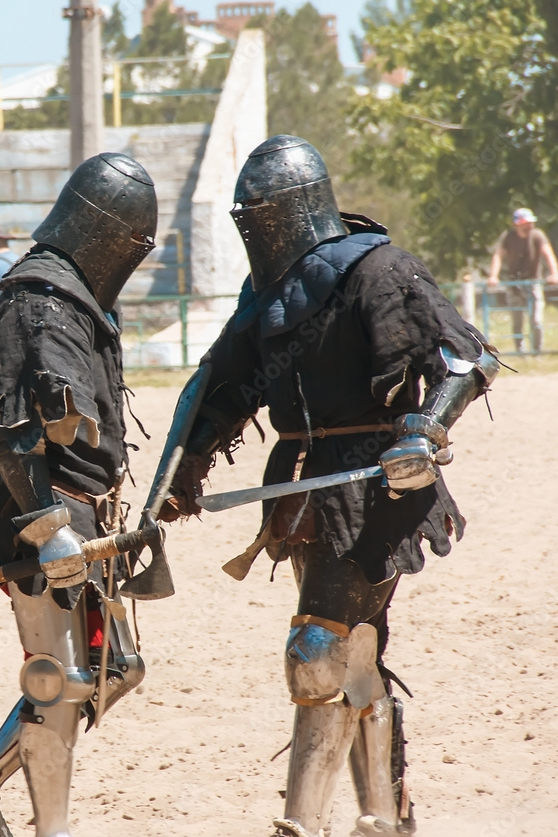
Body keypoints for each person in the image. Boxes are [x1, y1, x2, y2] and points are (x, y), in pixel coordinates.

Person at [160, 136, 499, 837]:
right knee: (354, 650)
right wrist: (188, 460)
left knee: (316, 651)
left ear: (299, 206)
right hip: (305, 496)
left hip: (382, 487)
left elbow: (464, 358)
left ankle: (299, 825)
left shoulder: (377, 269)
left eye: (265, 210)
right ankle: (385, 814)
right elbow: (225, 384)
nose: (256, 223)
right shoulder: (271, 294)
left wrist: (423, 430)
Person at [0, 153, 157, 837]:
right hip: (41, 519)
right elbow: (6, 431)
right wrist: (44, 523)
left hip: (88, 518)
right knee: (59, 682)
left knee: (114, 668)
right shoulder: (33, 299)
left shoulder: (78, 300)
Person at [486, 207, 558, 353]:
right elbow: (498, 256)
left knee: (536, 320)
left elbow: (548, 254)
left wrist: (554, 273)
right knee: (517, 320)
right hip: (515, 283)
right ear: (517, 224)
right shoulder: (508, 237)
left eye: (531, 223)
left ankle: (536, 351)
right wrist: (494, 276)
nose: (530, 226)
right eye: (526, 223)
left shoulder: (538, 235)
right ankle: (520, 351)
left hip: (533, 282)